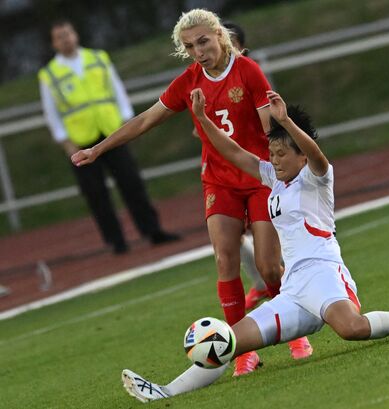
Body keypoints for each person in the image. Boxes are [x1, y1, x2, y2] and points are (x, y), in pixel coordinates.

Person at [119, 89, 389, 403]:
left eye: (282, 153)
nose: (275, 160)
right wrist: (203, 120)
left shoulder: (317, 176)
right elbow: (233, 153)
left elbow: (317, 155)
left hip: (324, 274)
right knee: (226, 342)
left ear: (300, 156)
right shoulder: (274, 178)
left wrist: (284, 120)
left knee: (353, 329)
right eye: (272, 152)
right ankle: (164, 392)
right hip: (293, 289)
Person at [71, 9, 312, 375]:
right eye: (189, 46)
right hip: (219, 181)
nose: (198, 51)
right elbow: (146, 119)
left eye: (203, 41)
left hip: (261, 178)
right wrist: (98, 149)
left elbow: (269, 127)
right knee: (224, 260)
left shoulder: (248, 71)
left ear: (219, 36)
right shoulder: (189, 81)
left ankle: (292, 332)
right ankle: (242, 351)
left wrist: (287, 158)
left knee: (268, 266)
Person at [39, 20, 179, 254]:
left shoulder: (98, 58)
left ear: (75, 34)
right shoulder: (49, 74)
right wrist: (65, 141)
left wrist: (128, 122)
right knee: (96, 193)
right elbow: (51, 111)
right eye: (59, 37)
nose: (65, 39)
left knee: (131, 182)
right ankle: (116, 241)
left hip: (112, 132)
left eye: (68, 34)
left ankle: (152, 230)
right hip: (80, 140)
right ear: (54, 43)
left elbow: (117, 91)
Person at [189, 21, 270, 310]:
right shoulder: (200, 80)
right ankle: (259, 289)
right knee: (227, 246)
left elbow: (268, 120)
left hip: (257, 171)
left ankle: (278, 288)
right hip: (221, 174)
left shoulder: (248, 72)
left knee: (270, 253)